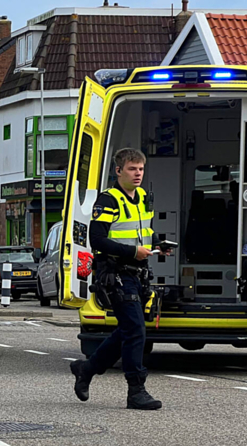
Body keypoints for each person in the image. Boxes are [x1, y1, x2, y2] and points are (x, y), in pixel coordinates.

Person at [70, 148, 169, 410]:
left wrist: (158, 243)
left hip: (137, 273)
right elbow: (98, 240)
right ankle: (136, 390)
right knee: (136, 328)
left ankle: (87, 369)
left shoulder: (144, 197)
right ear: (118, 171)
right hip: (114, 272)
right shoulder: (108, 200)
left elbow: (143, 231)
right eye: (132, 169)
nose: (137, 174)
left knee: (128, 329)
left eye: (140, 169)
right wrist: (132, 252)